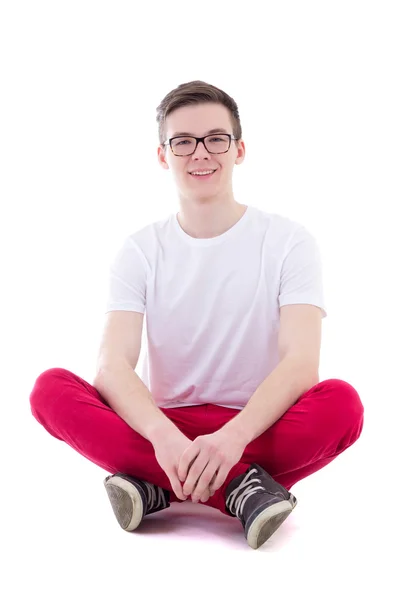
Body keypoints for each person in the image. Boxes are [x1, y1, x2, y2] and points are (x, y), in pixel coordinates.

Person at [29, 80, 364, 550]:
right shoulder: (139, 250)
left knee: (343, 406)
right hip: (161, 426)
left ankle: (155, 487)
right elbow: (112, 367)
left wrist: (232, 438)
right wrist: (165, 440)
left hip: (256, 426)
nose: (200, 153)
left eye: (215, 139)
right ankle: (243, 491)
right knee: (50, 390)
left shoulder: (290, 242)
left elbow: (301, 363)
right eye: (182, 142)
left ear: (239, 149)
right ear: (164, 155)